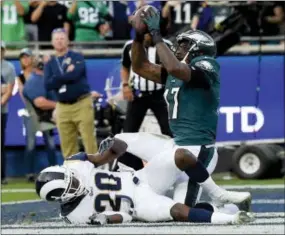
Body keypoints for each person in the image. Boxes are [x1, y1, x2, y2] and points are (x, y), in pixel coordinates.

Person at [130, 6, 243, 208]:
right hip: (176, 147)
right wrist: (139, 38)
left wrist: (156, 35)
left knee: (182, 210)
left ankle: (226, 212)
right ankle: (223, 207)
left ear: (196, 48)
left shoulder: (207, 65)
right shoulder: (176, 73)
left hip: (199, 151)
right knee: (140, 198)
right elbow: (140, 67)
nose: (177, 47)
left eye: (183, 44)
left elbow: (175, 67)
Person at [35, 136, 254, 225]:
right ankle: (230, 218)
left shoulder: (75, 164)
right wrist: (107, 219)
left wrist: (112, 147)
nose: (76, 182)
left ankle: (218, 194)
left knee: (182, 155)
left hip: (139, 178)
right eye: (71, 187)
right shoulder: (74, 216)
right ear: (61, 198)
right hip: (138, 206)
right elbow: (125, 216)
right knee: (178, 211)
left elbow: (117, 150)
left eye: (71, 179)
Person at [120, 33, 172, 170]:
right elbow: (125, 66)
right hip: (138, 94)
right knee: (128, 133)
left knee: (170, 131)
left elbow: (174, 68)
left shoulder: (166, 45)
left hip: (160, 94)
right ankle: (130, 168)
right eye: (144, 33)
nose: (147, 37)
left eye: (149, 33)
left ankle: (173, 166)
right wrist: (125, 85)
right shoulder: (130, 46)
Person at [44, 28, 98, 159]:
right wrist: (66, 74)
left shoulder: (77, 56)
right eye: (56, 39)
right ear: (52, 42)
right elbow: (48, 84)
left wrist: (57, 77)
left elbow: (75, 74)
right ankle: (72, 174)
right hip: (62, 106)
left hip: (82, 103)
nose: (59, 41)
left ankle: (96, 172)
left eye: (62, 38)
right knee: (67, 145)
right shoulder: (50, 63)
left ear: (68, 41)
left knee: (89, 141)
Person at [23, 55, 58, 172]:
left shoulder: (47, 79)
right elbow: (40, 102)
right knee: (32, 145)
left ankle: (54, 170)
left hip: (46, 116)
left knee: (50, 144)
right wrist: (60, 106)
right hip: (35, 116)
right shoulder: (35, 80)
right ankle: (29, 173)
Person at [1, 41, 16, 185]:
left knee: (0, 143)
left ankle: (2, 176)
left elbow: (9, 90)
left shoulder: (9, 67)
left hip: (2, 111)